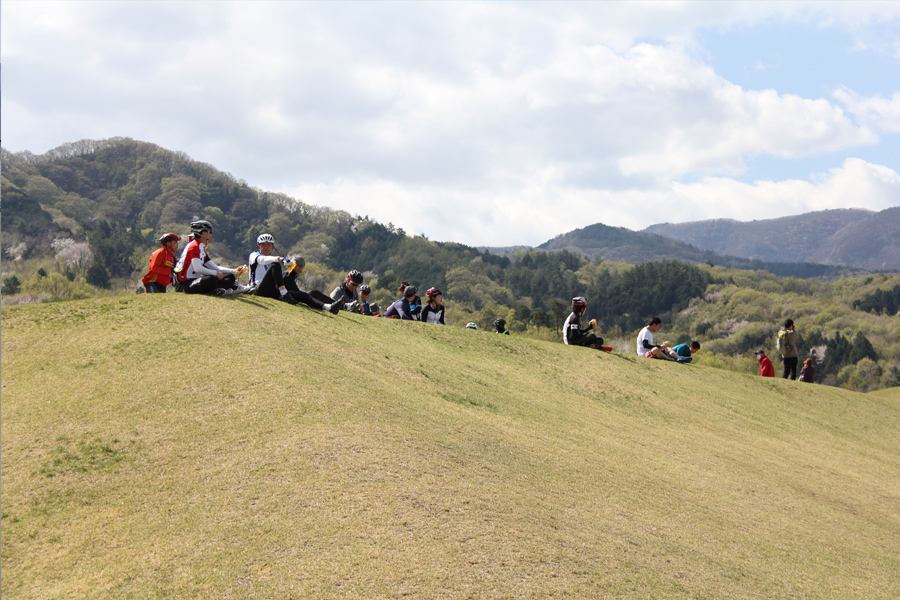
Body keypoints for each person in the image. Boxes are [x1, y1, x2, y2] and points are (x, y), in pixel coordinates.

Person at [248, 233, 341, 313]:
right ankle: (284, 294)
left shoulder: (271, 259)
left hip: (272, 290)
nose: (266, 247)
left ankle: (328, 307)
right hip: (258, 289)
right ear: (258, 247)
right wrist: (278, 259)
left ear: (272, 247)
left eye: (268, 245)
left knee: (303, 295)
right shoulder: (254, 255)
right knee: (275, 266)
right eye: (263, 245)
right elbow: (262, 260)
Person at [174, 220, 249, 295]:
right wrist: (215, 274)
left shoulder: (201, 247)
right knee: (211, 278)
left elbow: (216, 268)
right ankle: (222, 289)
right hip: (187, 282)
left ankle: (219, 290)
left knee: (230, 276)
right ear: (204, 234)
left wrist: (234, 270)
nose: (212, 235)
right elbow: (198, 268)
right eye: (210, 232)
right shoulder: (194, 246)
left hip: (197, 279)